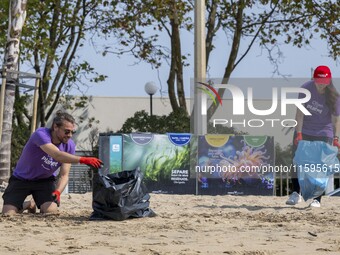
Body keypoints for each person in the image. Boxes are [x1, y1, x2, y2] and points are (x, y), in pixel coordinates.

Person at [2, 110, 103, 215]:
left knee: (51, 212)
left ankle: (39, 203)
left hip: (44, 181)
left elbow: (64, 175)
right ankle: (28, 204)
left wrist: (58, 191)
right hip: (21, 179)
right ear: (55, 127)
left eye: (72, 132)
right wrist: (83, 160)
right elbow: (57, 155)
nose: (70, 135)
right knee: (8, 214)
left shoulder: (69, 145)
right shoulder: (40, 134)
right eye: (67, 131)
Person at [286, 65, 340, 208]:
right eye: (318, 81)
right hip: (305, 130)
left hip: (324, 132)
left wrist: (336, 138)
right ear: (313, 79)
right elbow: (299, 113)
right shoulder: (305, 89)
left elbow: (336, 120)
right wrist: (299, 133)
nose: (321, 84)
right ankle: (295, 193)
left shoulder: (334, 96)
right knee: (297, 161)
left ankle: (317, 199)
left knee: (320, 166)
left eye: (324, 81)